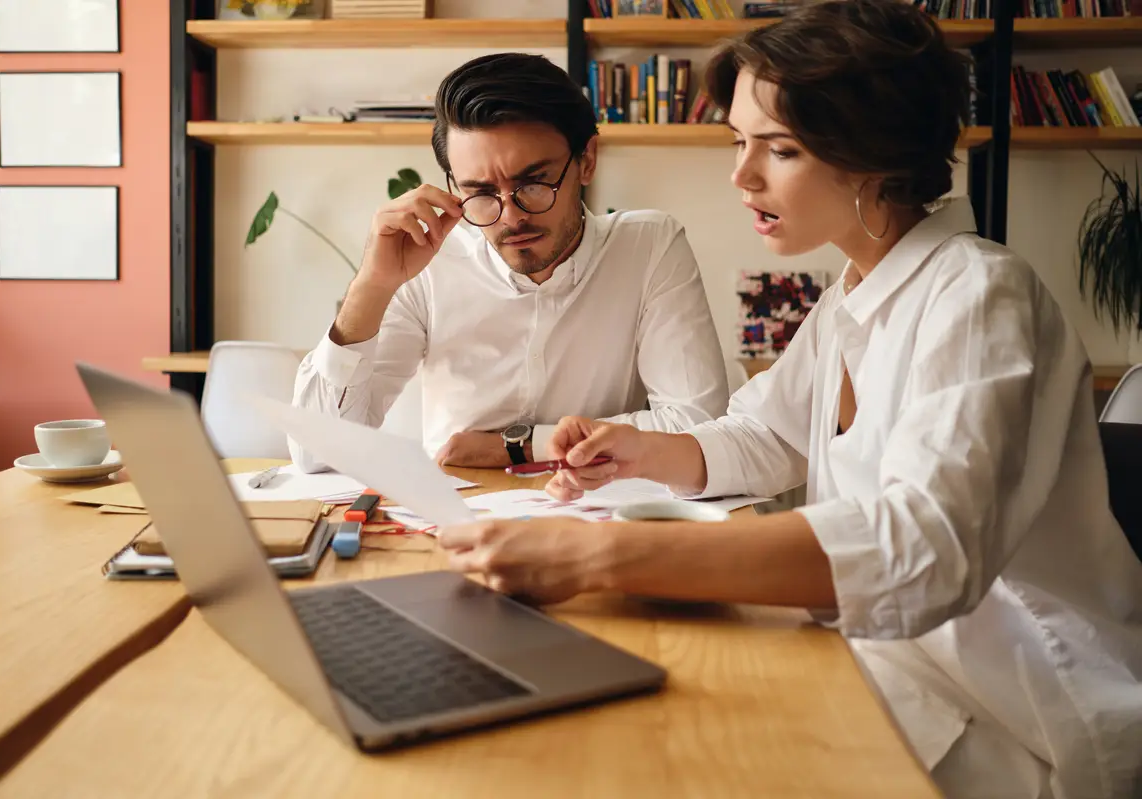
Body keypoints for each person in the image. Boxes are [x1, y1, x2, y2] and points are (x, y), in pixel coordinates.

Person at [436, 3, 1142, 797]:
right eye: (739, 143)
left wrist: (596, 555)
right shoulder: (852, 297)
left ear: (873, 153)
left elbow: (921, 546)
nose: (741, 175)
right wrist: (633, 448)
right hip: (890, 663)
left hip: (1023, 715)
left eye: (780, 149)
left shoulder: (977, 294)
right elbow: (762, 436)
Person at [290, 53, 728, 471]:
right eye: (479, 192)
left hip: (601, 525)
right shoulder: (429, 264)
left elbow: (698, 429)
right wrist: (372, 284)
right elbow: (318, 453)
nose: (513, 216)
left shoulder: (649, 247)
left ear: (587, 160)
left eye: (534, 183)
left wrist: (514, 447)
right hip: (457, 527)